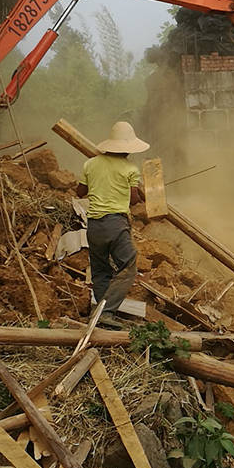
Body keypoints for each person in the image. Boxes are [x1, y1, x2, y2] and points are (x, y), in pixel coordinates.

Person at [76, 121, 149, 326]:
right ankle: (107, 312)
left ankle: (100, 313)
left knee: (100, 271)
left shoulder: (90, 164)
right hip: (116, 224)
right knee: (128, 265)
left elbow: (80, 192)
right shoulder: (130, 169)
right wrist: (139, 196)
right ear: (128, 149)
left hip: (94, 226)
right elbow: (133, 200)